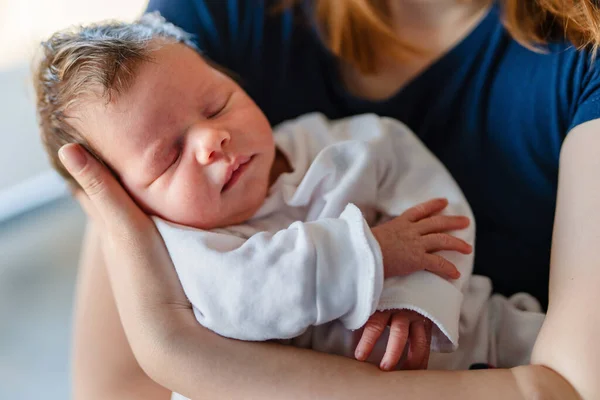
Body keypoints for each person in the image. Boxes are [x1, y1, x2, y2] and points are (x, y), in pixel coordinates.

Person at [62, 0, 600, 398]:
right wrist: (370, 252)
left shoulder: (333, 140)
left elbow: (430, 207)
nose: (210, 139)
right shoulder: (189, 35)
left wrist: (183, 352)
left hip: (471, 337)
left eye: (219, 104)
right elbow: (125, 382)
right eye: (168, 156)